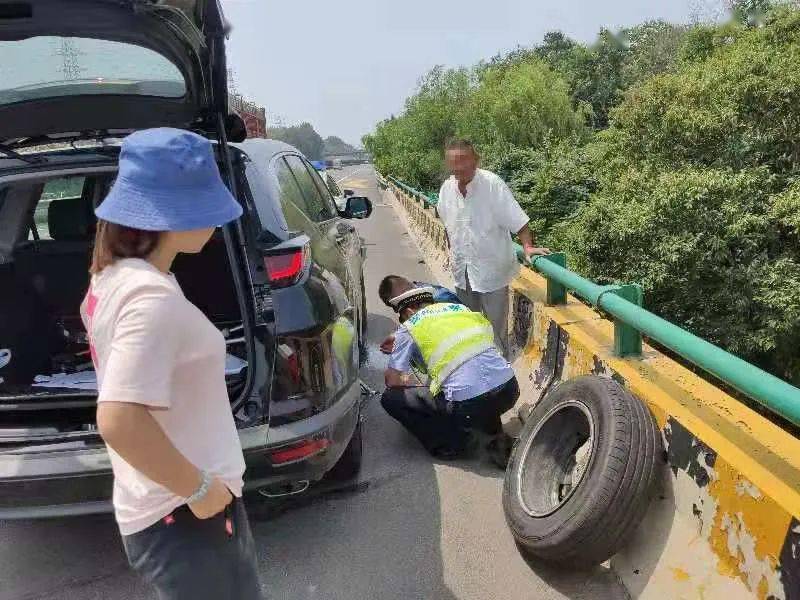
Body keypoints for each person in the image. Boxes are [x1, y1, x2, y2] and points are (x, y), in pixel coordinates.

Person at [81, 128, 262, 600]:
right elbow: (118, 419)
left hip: (167, 505)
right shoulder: (149, 297)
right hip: (182, 511)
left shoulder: (116, 278)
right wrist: (201, 491)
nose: (217, 219)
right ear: (171, 212)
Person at [378, 279, 520, 467]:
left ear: (409, 311)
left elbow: (392, 380)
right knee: (475, 384)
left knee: (390, 398)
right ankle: (492, 431)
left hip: (470, 406)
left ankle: (452, 444)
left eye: (403, 316)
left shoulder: (410, 326)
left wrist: (413, 380)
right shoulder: (463, 311)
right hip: (509, 390)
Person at [437, 139, 551, 357]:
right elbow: (447, 224)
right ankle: (476, 366)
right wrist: (450, 252)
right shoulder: (446, 189)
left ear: (475, 160)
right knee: (469, 327)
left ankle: (499, 372)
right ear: (447, 164)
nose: (459, 167)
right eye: (453, 162)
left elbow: (518, 220)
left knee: (494, 330)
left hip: (491, 271)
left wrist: (528, 247)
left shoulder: (492, 184)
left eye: (463, 160)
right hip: (462, 271)